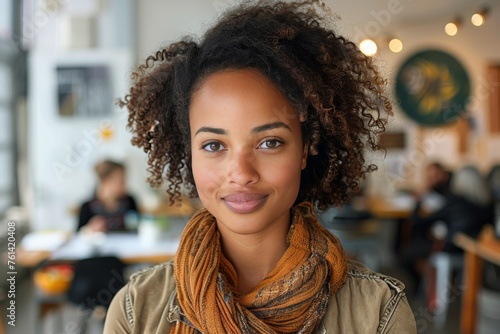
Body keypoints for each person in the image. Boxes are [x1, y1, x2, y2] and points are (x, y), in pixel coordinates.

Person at [104, 1, 416, 333]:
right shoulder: (135, 311)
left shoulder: (378, 313)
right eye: (213, 146)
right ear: (190, 153)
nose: (240, 173)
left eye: (269, 142)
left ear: (306, 148)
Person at [401, 165, 495, 295]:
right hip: (476, 252)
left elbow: (419, 222)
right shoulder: (489, 206)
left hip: (450, 248)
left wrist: (418, 202)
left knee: (405, 254)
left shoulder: (454, 201)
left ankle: (418, 288)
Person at [78, 159, 139, 232]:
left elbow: (136, 230)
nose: (125, 185)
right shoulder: (87, 207)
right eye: (120, 181)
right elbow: (78, 235)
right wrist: (89, 228)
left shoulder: (130, 202)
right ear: (104, 181)